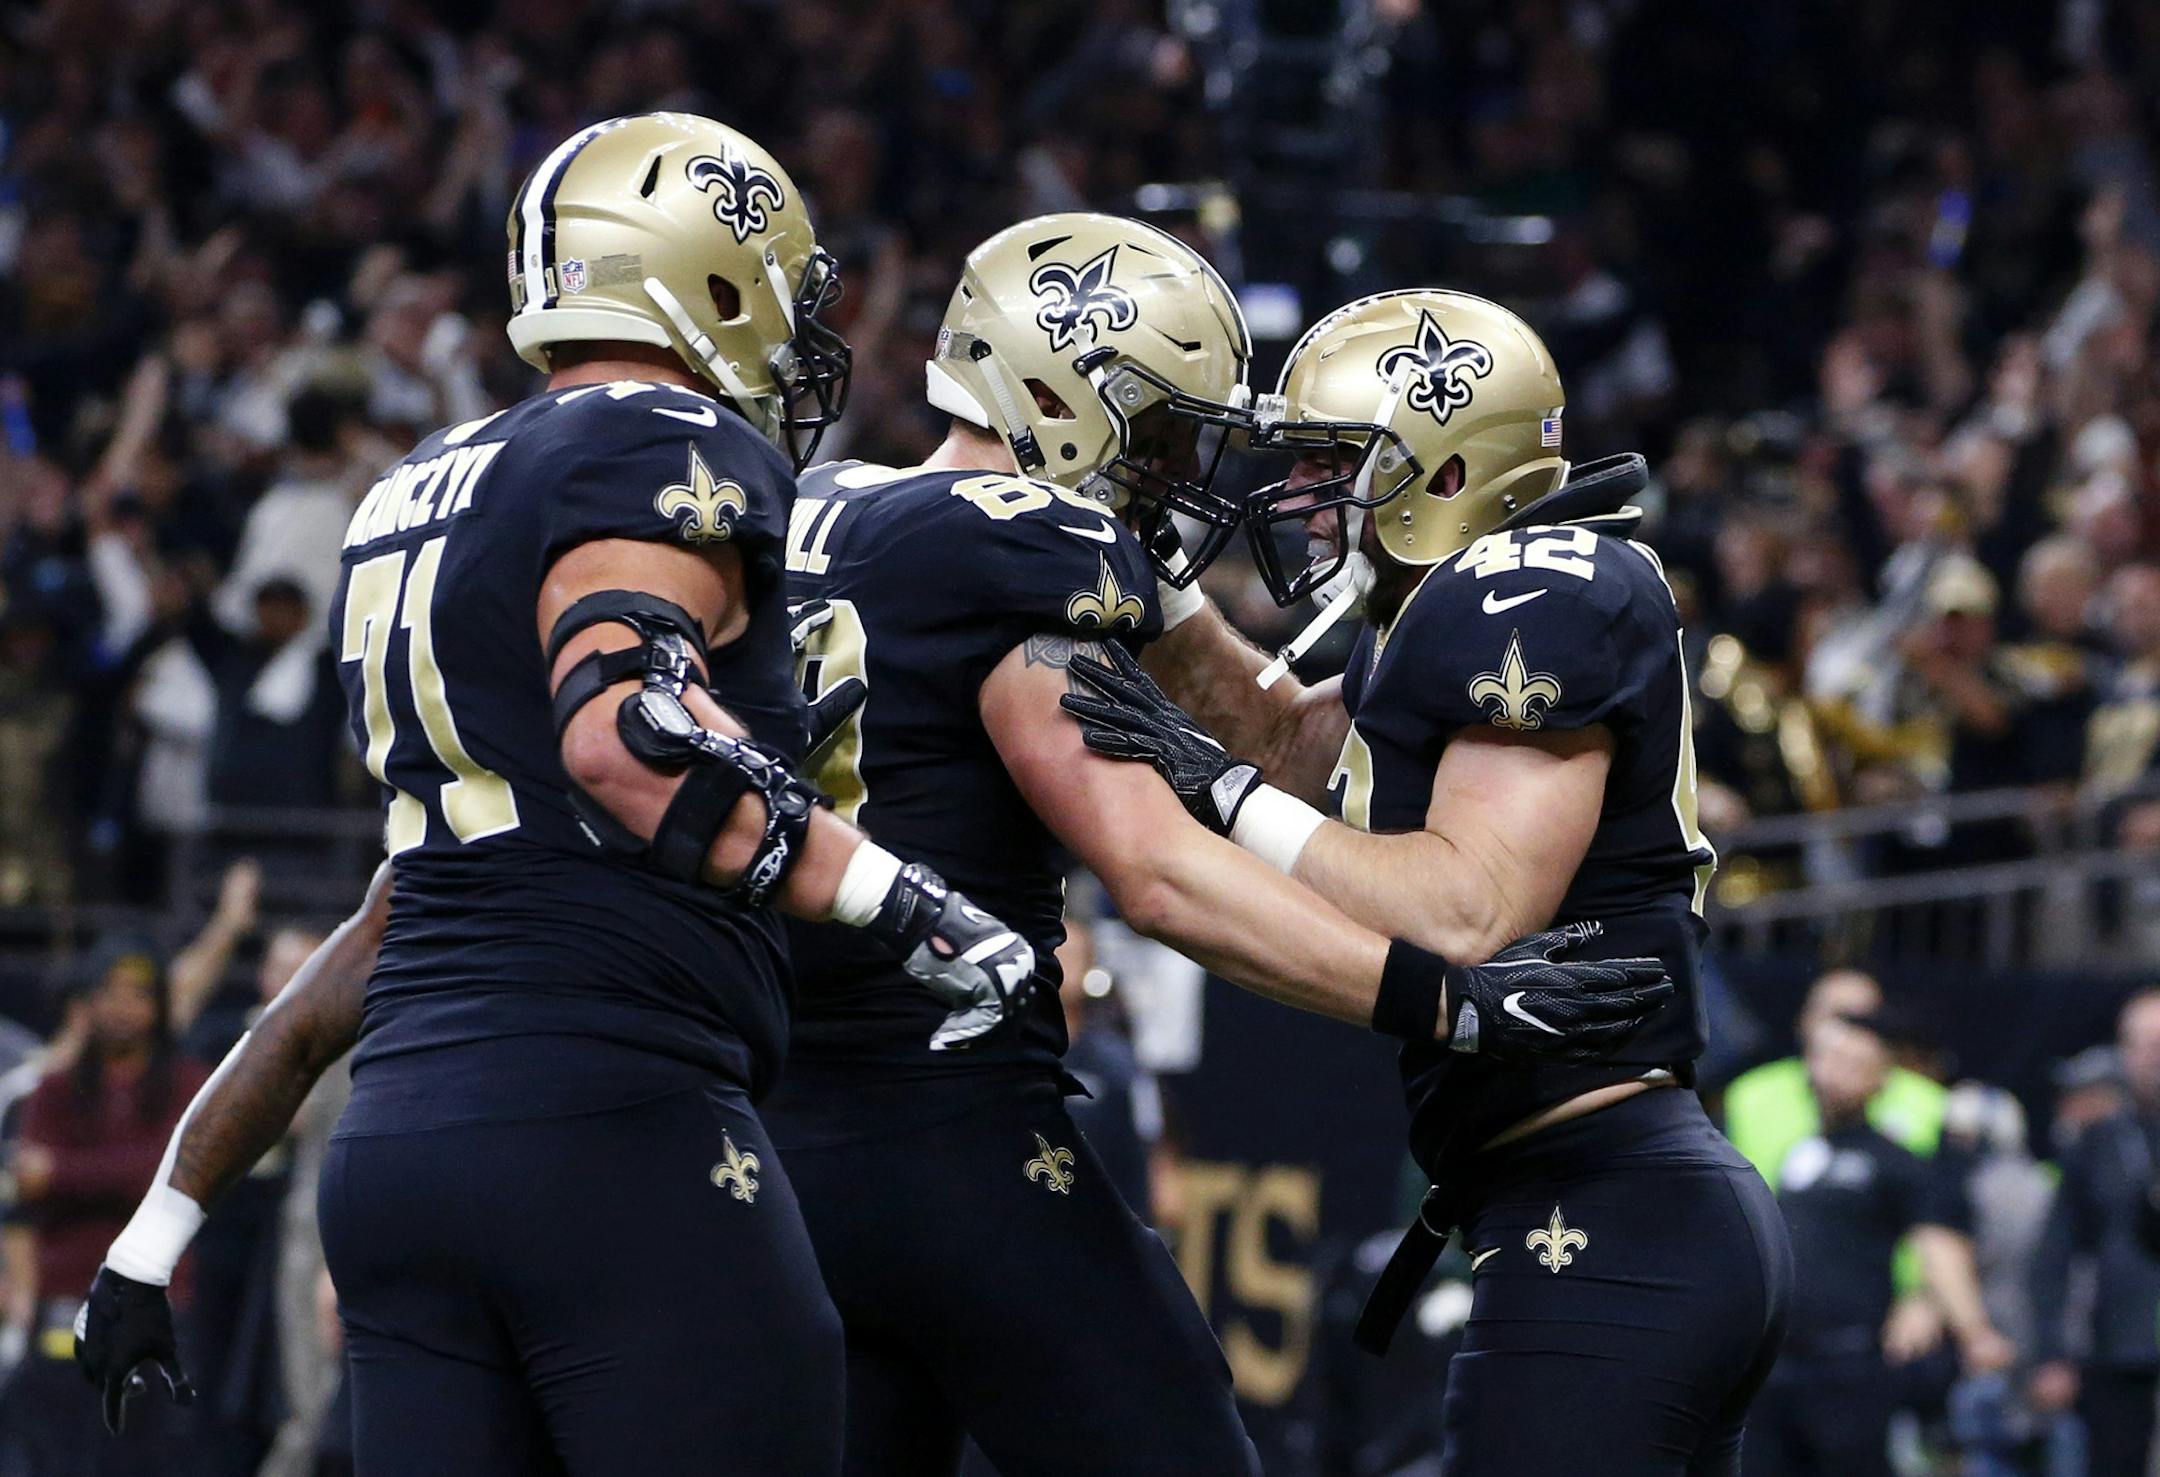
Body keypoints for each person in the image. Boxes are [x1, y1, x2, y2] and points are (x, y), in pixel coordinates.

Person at [75, 113, 1042, 1477]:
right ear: (707, 274)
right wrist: (910, 905)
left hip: (401, 1140)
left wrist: (151, 1234)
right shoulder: (662, 438)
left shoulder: (417, 484)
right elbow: (629, 734)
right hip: (609, 1120)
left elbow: (380, 929)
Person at [771, 214, 1668, 1477]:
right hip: (947, 1124)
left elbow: (1263, 745)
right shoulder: (1029, 540)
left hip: (759, 1124)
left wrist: (1423, 590)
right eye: (1159, 429)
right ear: (1058, 393)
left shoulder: (799, 505)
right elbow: (1161, 872)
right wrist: (1448, 1002)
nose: (1176, 470)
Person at [1061, 288, 1793, 1474]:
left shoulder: (1538, 587)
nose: (1297, 498)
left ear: (1442, 472)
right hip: (1595, 1203)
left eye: (1330, 466)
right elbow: (1287, 749)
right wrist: (1135, 563)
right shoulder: (1432, 614)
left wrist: (1222, 800)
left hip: (1609, 1207)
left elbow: (1467, 909)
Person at [1742, 1015, 2012, 1477]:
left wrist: (1970, 1328)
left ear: (1881, 1078)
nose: (1834, 1072)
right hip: (1776, 1365)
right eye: (1828, 1058)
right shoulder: (1799, 1154)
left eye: (1853, 1063)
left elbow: (1938, 1241)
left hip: (1850, 1366)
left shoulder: (1896, 1161)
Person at [3, 942, 209, 1477]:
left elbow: (169, 1179)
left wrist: (63, 1173)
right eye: (108, 994)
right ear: (85, 1004)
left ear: (161, 1005)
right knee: (58, 1453)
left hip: (158, 1301)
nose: (121, 1007)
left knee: (151, 1456)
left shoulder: (189, 1085)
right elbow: (25, 1191)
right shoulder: (51, 1090)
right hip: (66, 1299)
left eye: (137, 995)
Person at [2027, 987, 2160, 1477]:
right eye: (2140, 1042)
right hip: (2118, 1353)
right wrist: (2051, 1353)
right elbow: (2055, 1253)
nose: (2153, 1056)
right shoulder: (2101, 1142)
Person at [1724, 968, 1949, 1184]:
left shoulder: (1931, 1102)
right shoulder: (1750, 1093)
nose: (1845, 1038)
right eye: (1836, 1018)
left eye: (1860, 1023)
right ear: (1804, 1020)